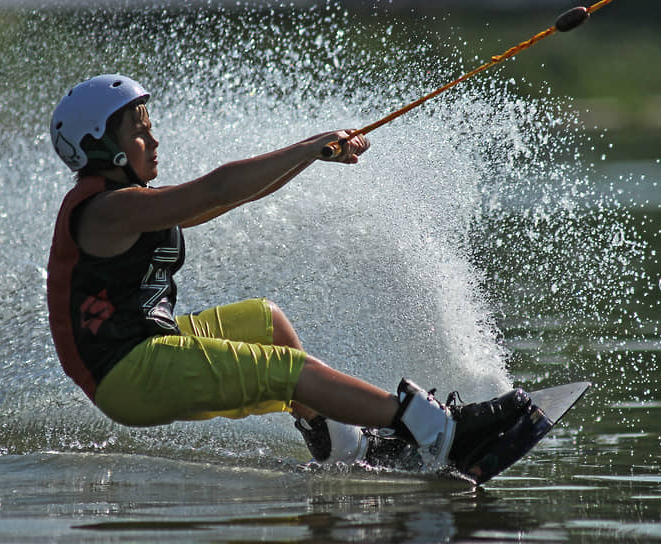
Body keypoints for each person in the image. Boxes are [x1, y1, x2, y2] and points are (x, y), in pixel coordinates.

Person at [46, 74, 530, 472]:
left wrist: (313, 156)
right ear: (101, 147)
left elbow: (236, 193)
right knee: (289, 374)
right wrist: (310, 145)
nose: (153, 140)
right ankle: (437, 430)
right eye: (138, 131)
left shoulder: (129, 204)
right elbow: (217, 188)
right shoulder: (108, 210)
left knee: (266, 322)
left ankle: (342, 445)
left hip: (145, 347)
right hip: (128, 374)